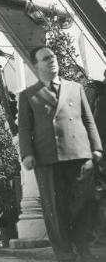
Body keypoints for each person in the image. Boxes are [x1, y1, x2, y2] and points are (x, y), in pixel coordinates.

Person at [18, 46, 103, 262]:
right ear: (37, 66)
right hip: (48, 158)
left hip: (80, 155)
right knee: (55, 209)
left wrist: (96, 148)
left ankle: (83, 249)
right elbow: (25, 129)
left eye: (53, 57)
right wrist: (27, 154)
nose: (51, 61)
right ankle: (65, 254)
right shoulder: (28, 95)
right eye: (45, 59)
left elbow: (88, 119)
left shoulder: (75, 88)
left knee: (85, 204)